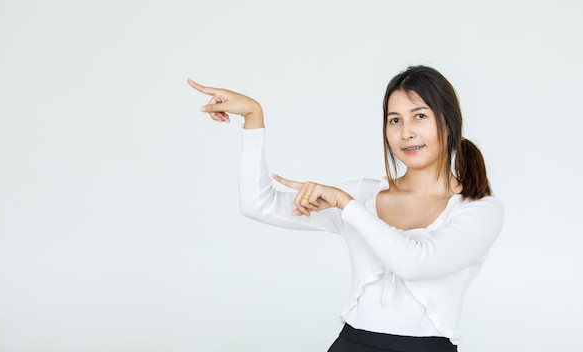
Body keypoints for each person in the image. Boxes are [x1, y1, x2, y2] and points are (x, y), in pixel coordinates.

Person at [188, 65, 504, 352]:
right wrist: (253, 117)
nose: (406, 131)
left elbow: (415, 264)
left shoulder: (480, 209)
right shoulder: (363, 195)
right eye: (395, 120)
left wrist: (346, 205)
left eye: (419, 116)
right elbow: (258, 204)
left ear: (448, 123)